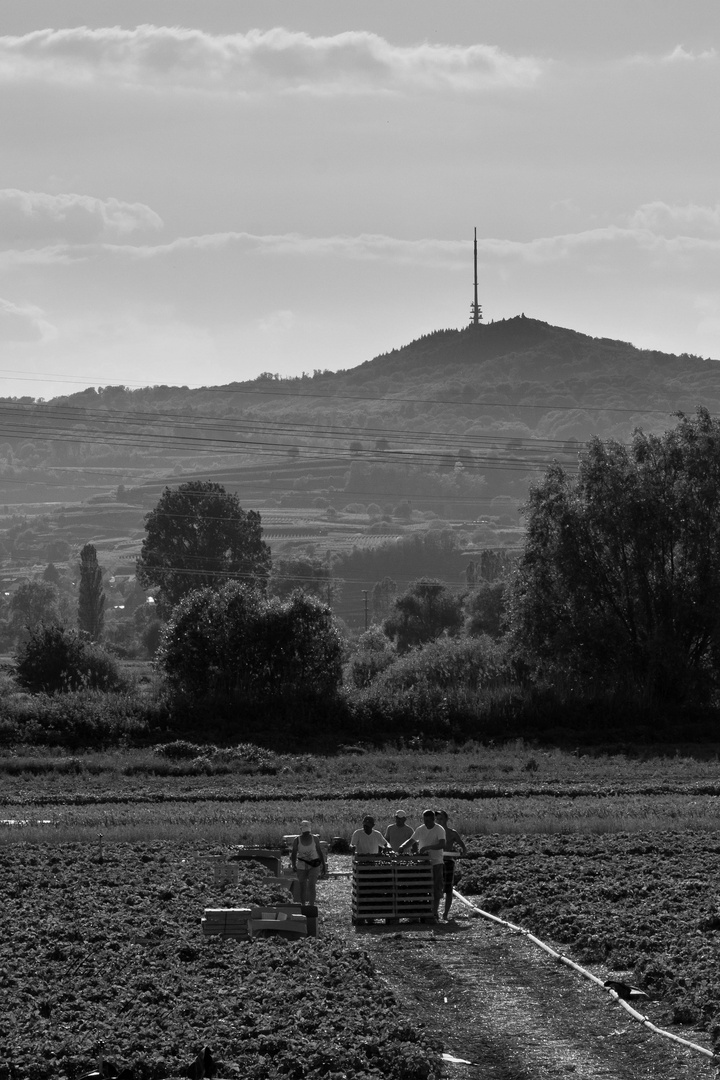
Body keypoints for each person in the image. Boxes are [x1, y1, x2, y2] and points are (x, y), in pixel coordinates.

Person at [399, 808, 446, 920]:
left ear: (433, 819)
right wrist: (402, 847)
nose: (426, 823)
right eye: (424, 820)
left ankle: (434, 912)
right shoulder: (421, 829)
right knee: (423, 887)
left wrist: (428, 847)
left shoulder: (439, 829)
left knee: (435, 888)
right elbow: (412, 840)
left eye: (428, 820)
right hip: (423, 863)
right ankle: (423, 910)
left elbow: (442, 844)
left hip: (436, 862)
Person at [434, 809, 467, 921]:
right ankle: (435, 912)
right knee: (436, 886)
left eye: (441, 819)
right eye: (437, 819)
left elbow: (462, 845)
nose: (439, 821)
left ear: (446, 819)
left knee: (448, 888)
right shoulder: (433, 831)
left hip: (448, 861)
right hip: (436, 861)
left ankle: (445, 913)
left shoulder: (452, 833)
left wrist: (463, 851)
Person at [290, 820, 327, 906]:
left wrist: (323, 864)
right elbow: (294, 853)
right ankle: (303, 905)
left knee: (311, 884)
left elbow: (319, 852)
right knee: (302, 886)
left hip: (314, 864)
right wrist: (294, 864)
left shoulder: (315, 839)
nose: (306, 834)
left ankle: (311, 905)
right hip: (301, 865)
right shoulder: (297, 840)